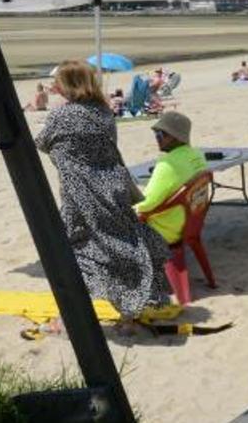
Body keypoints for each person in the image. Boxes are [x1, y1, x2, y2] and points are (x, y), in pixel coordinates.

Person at [35, 61, 172, 323]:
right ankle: (129, 312)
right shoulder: (104, 112)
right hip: (113, 188)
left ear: (69, 84)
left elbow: (43, 143)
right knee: (119, 247)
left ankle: (67, 320)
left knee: (74, 255)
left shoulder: (63, 115)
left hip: (82, 193)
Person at [135, 112, 206, 246]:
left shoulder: (167, 164)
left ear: (176, 137)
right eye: (156, 133)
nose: (157, 138)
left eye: (162, 134)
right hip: (192, 223)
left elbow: (146, 204)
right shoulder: (198, 155)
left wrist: (129, 208)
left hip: (167, 231)